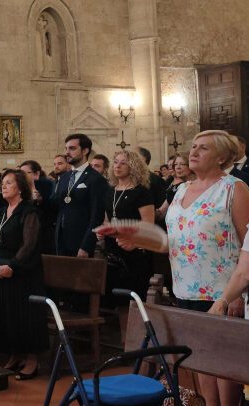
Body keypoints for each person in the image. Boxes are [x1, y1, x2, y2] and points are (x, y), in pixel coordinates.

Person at [113, 130, 249, 406]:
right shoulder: (182, 189)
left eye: (203, 148)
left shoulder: (234, 188)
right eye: (194, 147)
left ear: (222, 156)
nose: (194, 152)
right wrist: (138, 240)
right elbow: (173, 242)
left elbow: (247, 241)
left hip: (223, 290)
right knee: (200, 356)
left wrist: (237, 295)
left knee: (224, 361)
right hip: (185, 286)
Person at [0, 169, 48, 380]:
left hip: (24, 273)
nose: (3, 186)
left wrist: (12, 266)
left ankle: (32, 360)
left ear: (20, 187)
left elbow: (29, 245)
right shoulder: (1, 212)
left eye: (9, 183)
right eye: (3, 182)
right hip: (1, 271)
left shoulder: (29, 212)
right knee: (7, 316)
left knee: (26, 317)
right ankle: (15, 354)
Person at [101, 150, 154, 336]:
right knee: (119, 299)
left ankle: (138, 338)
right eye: (115, 162)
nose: (117, 166)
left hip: (134, 252)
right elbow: (108, 218)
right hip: (114, 250)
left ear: (133, 167)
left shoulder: (141, 192)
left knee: (134, 297)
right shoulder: (110, 191)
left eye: (123, 163)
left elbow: (148, 224)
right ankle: (126, 340)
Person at [52, 134, 108, 258]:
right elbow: (59, 207)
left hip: (81, 241)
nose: (67, 152)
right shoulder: (65, 177)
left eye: (72, 148)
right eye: (66, 148)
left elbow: (96, 216)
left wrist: (86, 246)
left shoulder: (96, 179)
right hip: (61, 239)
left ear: (85, 150)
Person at [20, 160, 56, 254]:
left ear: (36, 174)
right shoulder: (21, 189)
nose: (21, 176)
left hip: (44, 231)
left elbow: (49, 207)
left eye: (25, 173)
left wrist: (38, 199)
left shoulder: (46, 185)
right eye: (20, 173)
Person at [157, 152, 191, 218]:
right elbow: (163, 209)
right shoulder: (174, 182)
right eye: (175, 164)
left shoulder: (190, 185)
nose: (177, 167)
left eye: (182, 164)